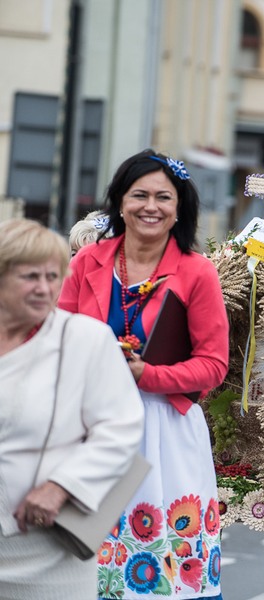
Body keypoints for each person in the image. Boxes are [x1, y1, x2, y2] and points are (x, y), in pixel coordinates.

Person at [59, 149, 229, 599]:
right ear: (119, 202)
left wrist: (146, 375)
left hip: (164, 430)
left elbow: (213, 365)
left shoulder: (198, 272)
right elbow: (56, 340)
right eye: (139, 195)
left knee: (164, 569)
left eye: (163, 197)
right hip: (92, 423)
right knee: (82, 559)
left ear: (179, 209)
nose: (150, 206)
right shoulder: (87, 262)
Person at [0, 219, 143, 599]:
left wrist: (62, 486)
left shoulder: (85, 339)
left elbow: (121, 428)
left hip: (46, 547)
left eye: (52, 275)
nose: (44, 288)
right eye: (30, 276)